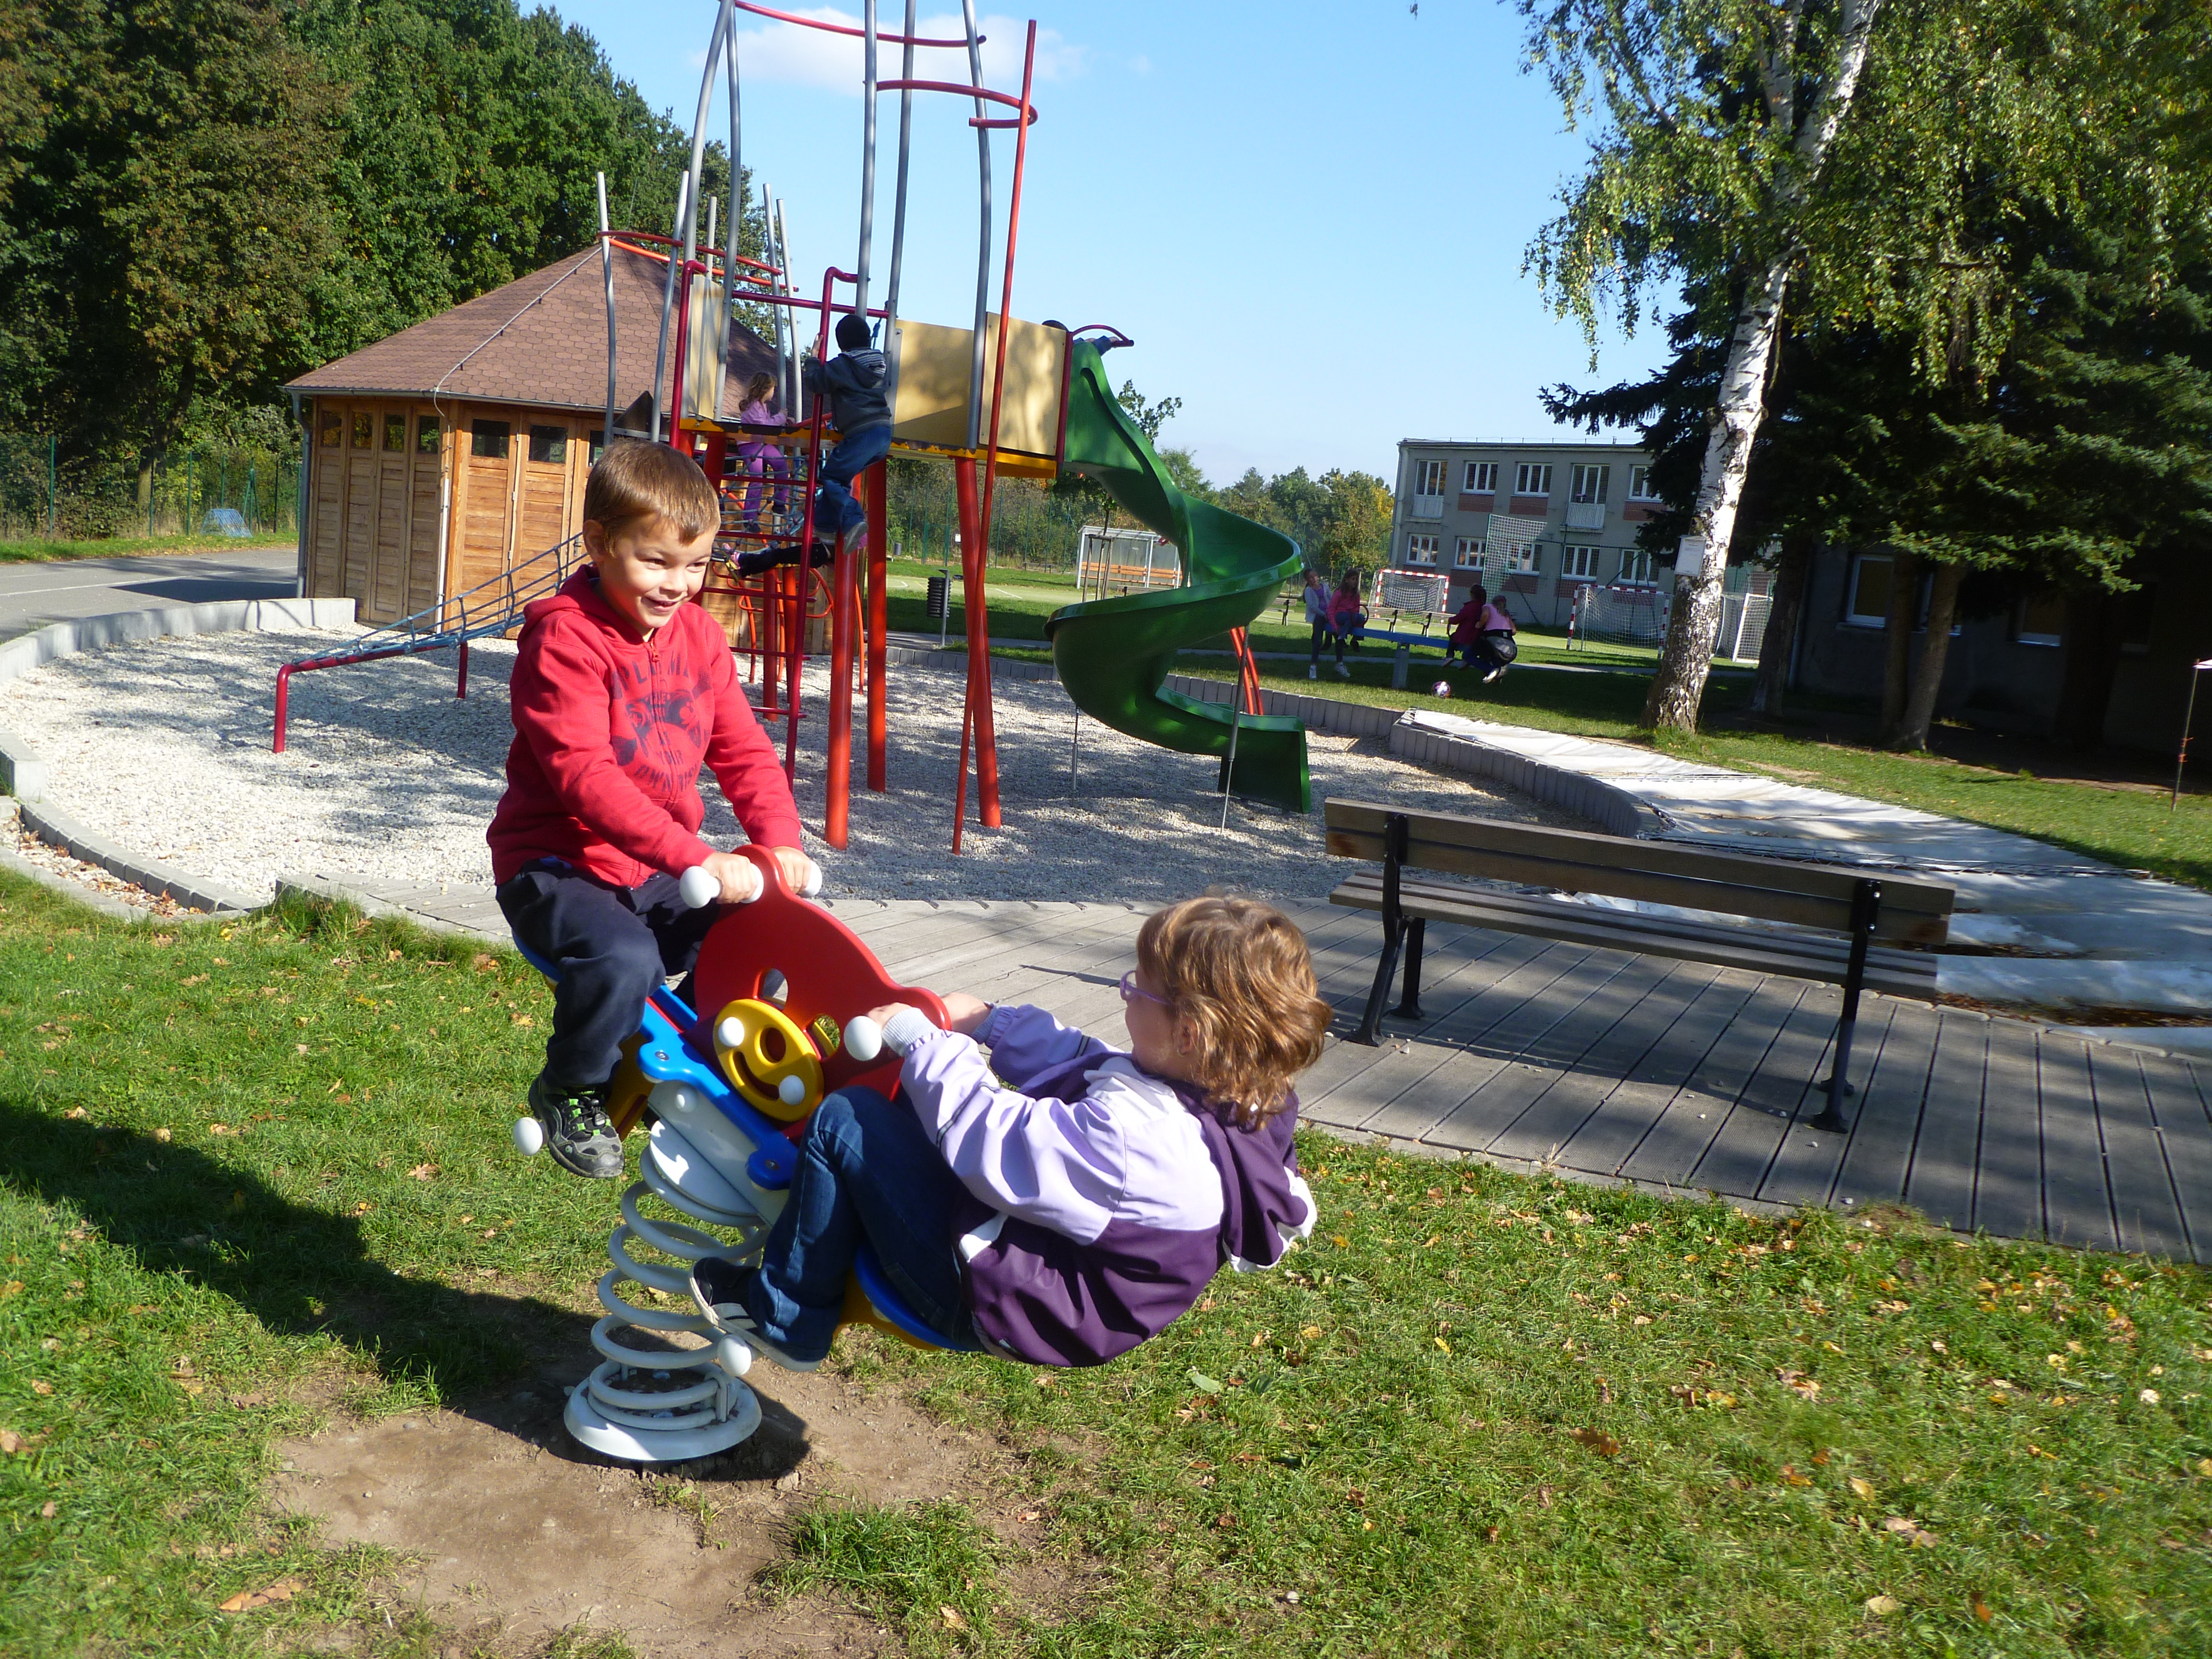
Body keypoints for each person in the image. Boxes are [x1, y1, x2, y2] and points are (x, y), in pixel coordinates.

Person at [688, 897, 1331, 1371]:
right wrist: (992, 1024)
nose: (1126, 995)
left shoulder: (1138, 1145)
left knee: (848, 1120)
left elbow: (988, 1134)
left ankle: (786, 1317)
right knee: (906, 1114)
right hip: (1038, 1277)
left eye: (1138, 988)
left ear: (1188, 1033)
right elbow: (1092, 1061)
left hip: (991, 1301)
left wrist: (924, 1042)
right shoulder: (1245, 1098)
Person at [489, 440, 819, 1180]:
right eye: (657, 562)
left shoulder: (699, 638)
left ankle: (690, 1058)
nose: (678, 585)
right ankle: (572, 1086)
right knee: (625, 958)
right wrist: (696, 856)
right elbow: (585, 778)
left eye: (695, 566)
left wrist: (779, 841)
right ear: (600, 543)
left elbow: (743, 750)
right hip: (557, 866)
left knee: (766, 934)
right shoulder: (565, 640)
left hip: (654, 868)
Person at [798, 313, 891, 555]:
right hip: (883, 433)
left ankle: (853, 519)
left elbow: (816, 382)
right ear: (868, 338)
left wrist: (813, 359)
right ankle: (826, 530)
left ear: (841, 344)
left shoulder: (843, 365)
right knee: (839, 478)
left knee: (831, 477)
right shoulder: (878, 363)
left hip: (862, 434)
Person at [733, 371, 791, 529]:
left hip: (762, 443)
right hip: (749, 443)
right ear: (765, 389)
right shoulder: (752, 405)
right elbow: (763, 426)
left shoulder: (763, 406)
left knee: (782, 466)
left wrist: (784, 421)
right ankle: (750, 518)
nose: (774, 392)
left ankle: (779, 502)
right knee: (757, 478)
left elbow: (768, 424)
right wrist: (781, 417)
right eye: (773, 389)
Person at [1324, 570, 1367, 678]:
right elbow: (1331, 610)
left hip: (1350, 617)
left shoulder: (1356, 594)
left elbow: (1356, 609)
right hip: (1340, 616)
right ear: (1346, 580)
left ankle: (1355, 639)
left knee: (1361, 617)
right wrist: (1334, 626)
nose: (1355, 582)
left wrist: (1356, 622)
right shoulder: (1339, 593)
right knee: (1350, 617)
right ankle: (1342, 637)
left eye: (1356, 579)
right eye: (1353, 579)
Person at [1302, 568, 1331, 680]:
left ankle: (1340, 663)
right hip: (1318, 617)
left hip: (1329, 615)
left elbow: (1331, 599)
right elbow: (1312, 607)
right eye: (1310, 578)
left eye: (1314, 576)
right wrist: (1324, 615)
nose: (1313, 579)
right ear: (1307, 580)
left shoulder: (1325, 587)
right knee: (1318, 641)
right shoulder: (1308, 591)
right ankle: (1313, 667)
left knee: (1338, 634)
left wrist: (1331, 613)